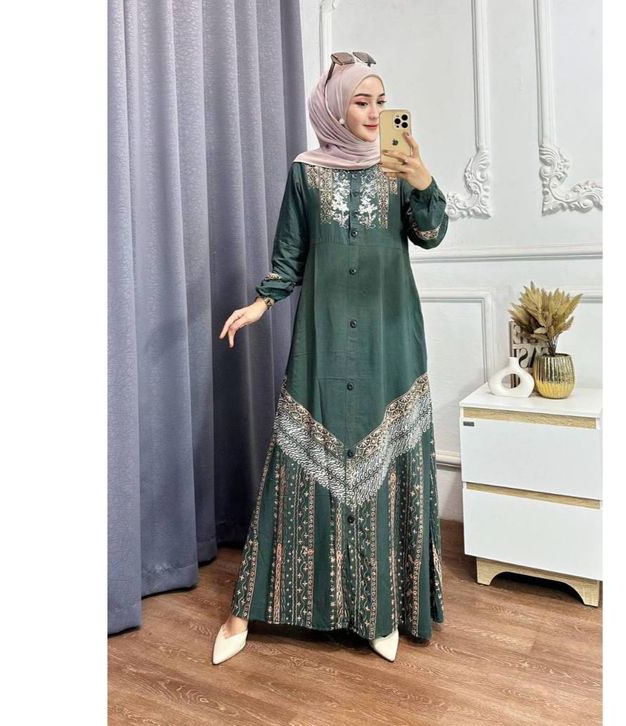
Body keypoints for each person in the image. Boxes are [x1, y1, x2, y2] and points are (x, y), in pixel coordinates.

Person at [212, 51, 448, 666]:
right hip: (323, 340)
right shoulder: (305, 173)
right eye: (361, 101)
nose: (373, 113)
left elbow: (430, 234)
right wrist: (261, 302)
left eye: (380, 101)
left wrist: (422, 178)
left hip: (389, 341)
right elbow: (290, 253)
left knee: (381, 463)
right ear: (335, 108)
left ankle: (379, 611)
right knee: (298, 461)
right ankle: (244, 610)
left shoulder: (399, 167)